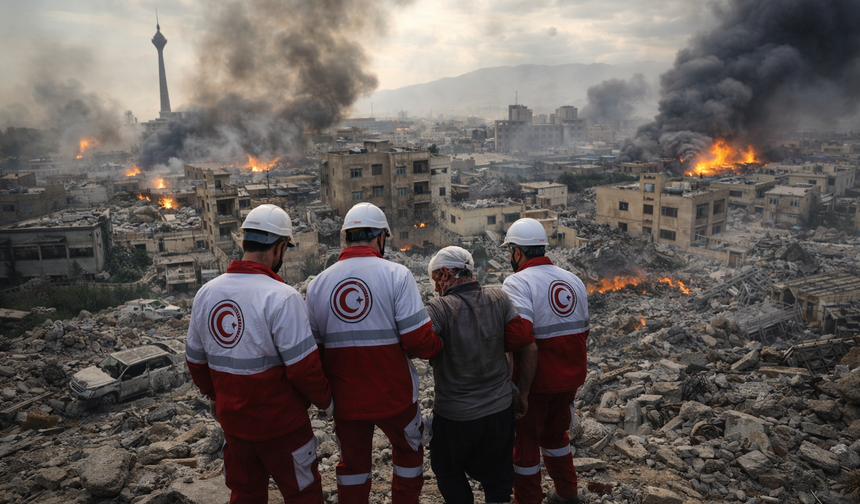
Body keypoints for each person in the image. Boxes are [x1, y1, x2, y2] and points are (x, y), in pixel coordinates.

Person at [186, 204, 333, 504]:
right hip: (283, 427)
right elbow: (303, 369)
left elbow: (195, 361)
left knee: (245, 495)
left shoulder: (206, 293)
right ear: (279, 248)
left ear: (245, 244)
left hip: (235, 428)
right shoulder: (282, 297)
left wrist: (217, 397)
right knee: (303, 494)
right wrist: (327, 403)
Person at [306, 202, 443, 504]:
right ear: (381, 237)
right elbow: (418, 341)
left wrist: (326, 399)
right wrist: (441, 346)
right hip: (395, 397)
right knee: (409, 454)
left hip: (346, 401)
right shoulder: (397, 275)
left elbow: (313, 352)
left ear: (345, 239)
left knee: (353, 467)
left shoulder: (318, 285)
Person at [424, 246, 538, 504]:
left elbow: (419, 344)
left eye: (436, 278)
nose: (435, 287)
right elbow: (520, 338)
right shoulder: (499, 298)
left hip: (455, 416)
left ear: (447, 272)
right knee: (498, 476)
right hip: (499, 411)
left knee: (447, 469)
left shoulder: (438, 308)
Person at [501, 218, 589, 504]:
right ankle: (567, 494)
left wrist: (521, 391)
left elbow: (519, 337)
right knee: (555, 437)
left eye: (510, 251)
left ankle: (527, 500)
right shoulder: (573, 279)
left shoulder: (517, 282)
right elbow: (583, 331)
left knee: (525, 447)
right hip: (570, 379)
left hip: (536, 383)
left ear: (516, 251)